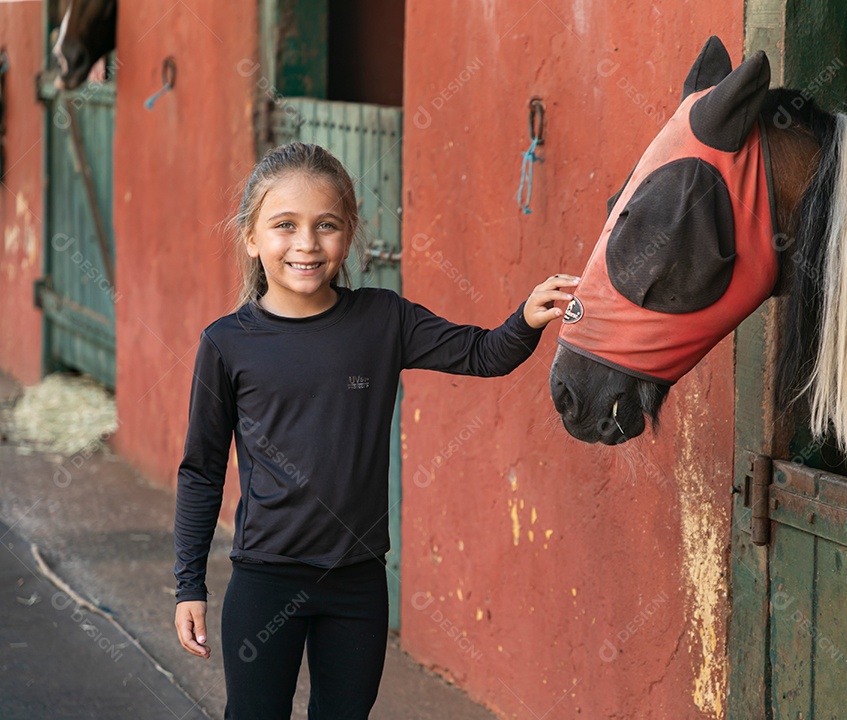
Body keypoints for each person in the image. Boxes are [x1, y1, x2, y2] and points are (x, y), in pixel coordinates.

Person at [173, 142, 577, 719]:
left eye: (326, 225)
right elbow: (202, 469)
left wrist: (526, 318)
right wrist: (189, 585)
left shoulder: (382, 319)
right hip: (265, 582)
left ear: (350, 233)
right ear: (252, 237)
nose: (306, 243)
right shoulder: (226, 343)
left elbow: (484, 354)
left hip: (357, 583)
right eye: (284, 225)